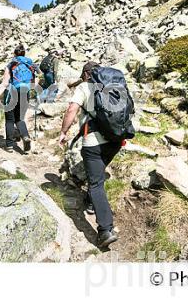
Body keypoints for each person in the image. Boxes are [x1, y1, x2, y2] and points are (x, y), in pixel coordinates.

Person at [58, 61, 129, 248]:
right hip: (115, 141)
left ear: (85, 74)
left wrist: (64, 132)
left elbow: (72, 109)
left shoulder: (84, 87)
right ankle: (90, 202)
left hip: (93, 142)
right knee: (97, 173)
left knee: (96, 183)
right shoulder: (114, 85)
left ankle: (105, 229)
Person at [0, 44, 38, 153]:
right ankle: (25, 136)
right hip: (25, 93)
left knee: (10, 120)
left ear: (14, 53)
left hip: (12, 93)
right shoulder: (30, 64)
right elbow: (34, 82)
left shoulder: (11, 64)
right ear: (24, 53)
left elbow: (4, 83)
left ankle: (9, 145)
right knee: (20, 118)